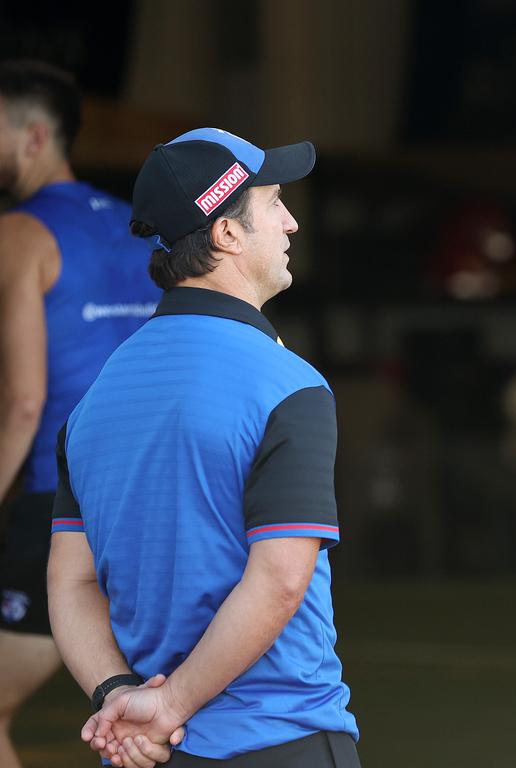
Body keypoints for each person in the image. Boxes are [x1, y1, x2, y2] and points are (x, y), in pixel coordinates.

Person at [47, 127, 361, 767]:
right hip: (279, 740)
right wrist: (171, 705)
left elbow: (70, 580)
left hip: (144, 750)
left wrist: (120, 694)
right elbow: (279, 578)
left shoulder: (95, 399)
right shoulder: (286, 384)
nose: (292, 223)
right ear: (226, 233)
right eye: (274, 203)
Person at [0, 60, 160, 768]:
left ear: (34, 137)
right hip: (160, 498)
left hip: (62, 503)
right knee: (166, 711)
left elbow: (24, 398)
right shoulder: (142, 228)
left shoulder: (18, 235)